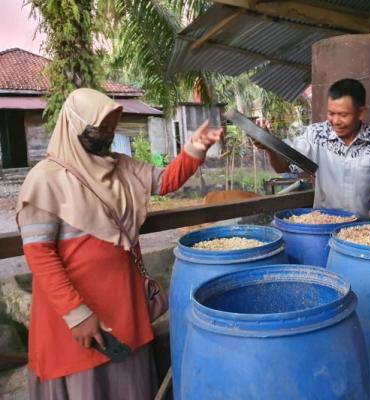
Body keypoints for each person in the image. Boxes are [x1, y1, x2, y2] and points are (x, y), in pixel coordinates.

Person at [16, 88, 222, 399]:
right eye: (100, 127)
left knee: (128, 379)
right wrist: (76, 313)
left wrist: (194, 148)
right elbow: (40, 256)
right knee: (87, 382)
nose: (108, 134)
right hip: (79, 316)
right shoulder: (45, 180)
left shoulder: (121, 167)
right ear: (74, 126)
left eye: (112, 126)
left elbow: (164, 180)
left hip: (125, 306)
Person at [257, 78, 370, 219]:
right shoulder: (316, 135)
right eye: (331, 113)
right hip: (325, 228)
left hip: (365, 231)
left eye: (343, 115)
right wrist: (269, 146)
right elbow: (282, 166)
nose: (335, 121)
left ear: (361, 113)